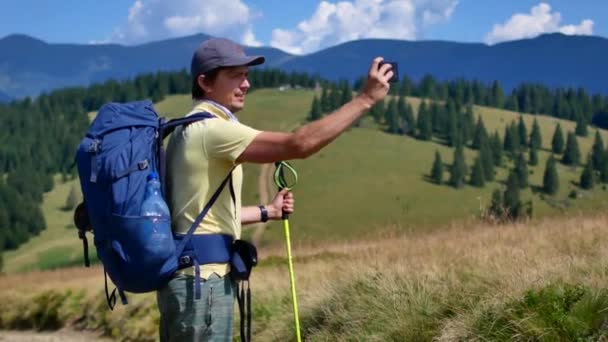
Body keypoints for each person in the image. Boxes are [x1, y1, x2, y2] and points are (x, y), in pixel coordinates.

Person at [157, 37, 393, 341]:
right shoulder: (212, 130)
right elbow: (300, 144)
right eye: (235, 76)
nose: (245, 84)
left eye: (246, 75)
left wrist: (268, 211)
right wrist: (365, 100)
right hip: (205, 283)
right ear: (205, 82)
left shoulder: (184, 129)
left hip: (189, 281)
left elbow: (202, 218)